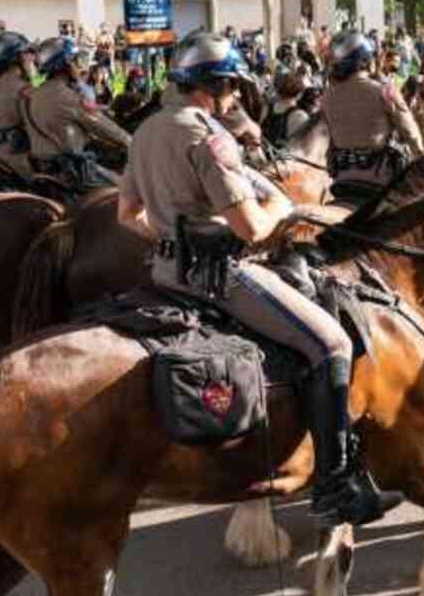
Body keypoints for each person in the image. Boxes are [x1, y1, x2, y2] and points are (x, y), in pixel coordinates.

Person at [116, 32, 402, 527]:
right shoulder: (210, 137)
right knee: (331, 343)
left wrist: (171, 237)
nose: (233, 97)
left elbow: (126, 214)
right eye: (230, 87)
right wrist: (283, 211)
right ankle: (334, 487)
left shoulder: (148, 130)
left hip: (166, 273)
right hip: (221, 277)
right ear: (216, 84)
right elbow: (251, 228)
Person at [321, 30, 424, 204]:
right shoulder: (385, 91)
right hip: (381, 184)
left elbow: (332, 143)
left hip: (341, 182)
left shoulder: (327, 98)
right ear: (364, 59)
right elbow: (412, 136)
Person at [24, 36, 131, 190]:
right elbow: (101, 125)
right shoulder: (67, 96)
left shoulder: (35, 94)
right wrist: (130, 141)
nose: (80, 67)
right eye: (75, 61)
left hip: (44, 169)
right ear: (65, 65)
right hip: (74, 172)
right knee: (130, 191)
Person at [0, 30, 39, 178]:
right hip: (19, 155)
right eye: (28, 53)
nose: (32, 58)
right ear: (18, 57)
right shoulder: (24, 88)